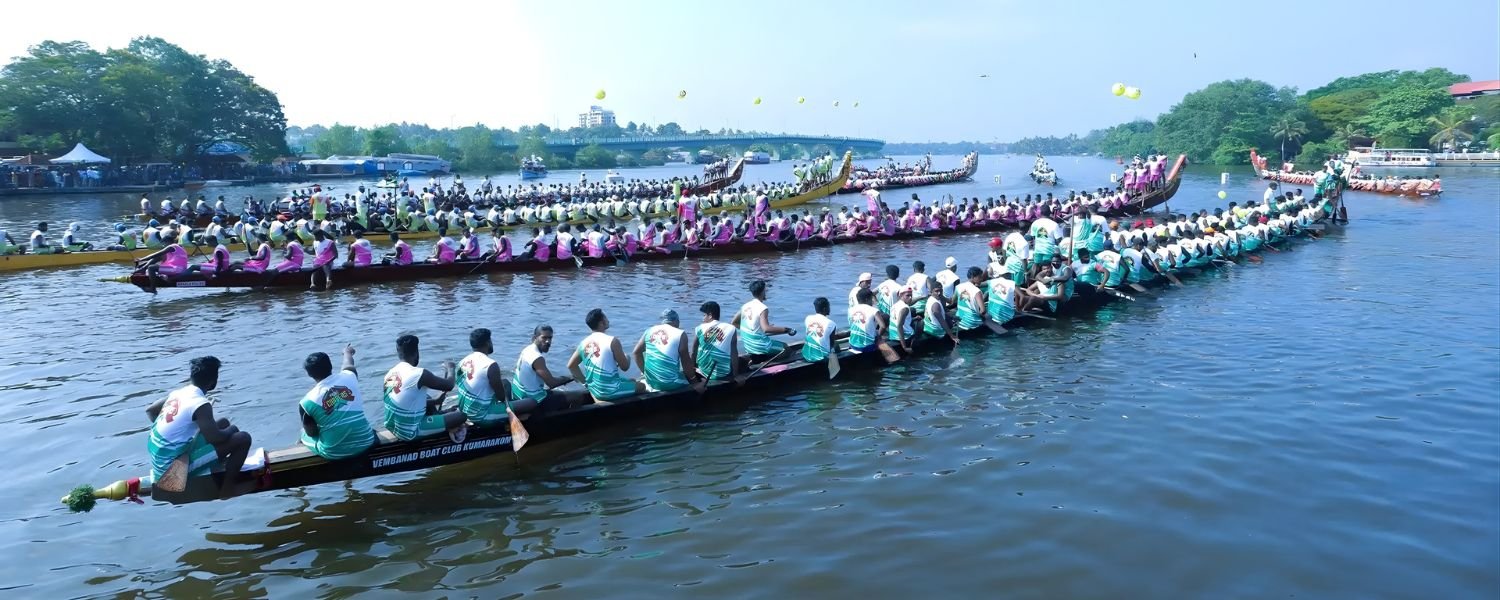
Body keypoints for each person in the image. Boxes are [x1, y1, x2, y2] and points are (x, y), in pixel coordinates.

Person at [144, 356, 254, 499]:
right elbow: (214, 437)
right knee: (243, 438)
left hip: (161, 460)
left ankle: (212, 463)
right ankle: (227, 489)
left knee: (223, 423)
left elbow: (151, 411)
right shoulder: (201, 403)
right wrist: (232, 430)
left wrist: (172, 434)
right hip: (173, 473)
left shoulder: (178, 393)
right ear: (213, 382)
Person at [382, 335, 467, 442]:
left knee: (425, 396)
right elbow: (449, 385)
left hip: (392, 427)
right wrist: (451, 368)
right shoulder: (420, 373)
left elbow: (403, 402)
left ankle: (438, 416)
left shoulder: (390, 374)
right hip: (410, 432)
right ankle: (443, 427)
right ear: (416, 352)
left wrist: (436, 401)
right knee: (461, 416)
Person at [298, 344, 376, 460]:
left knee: (303, 433)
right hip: (367, 442)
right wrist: (347, 352)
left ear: (309, 374)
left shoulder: (306, 402)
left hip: (335, 453)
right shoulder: (350, 377)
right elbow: (348, 363)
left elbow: (312, 433)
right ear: (331, 366)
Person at [567, 309, 646, 401]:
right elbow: (625, 367)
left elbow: (571, 366)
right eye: (606, 318)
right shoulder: (612, 341)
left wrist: (585, 383)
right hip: (610, 390)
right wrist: (627, 357)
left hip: (594, 389)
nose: (608, 320)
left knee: (632, 381)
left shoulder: (583, 343)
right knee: (642, 386)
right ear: (601, 323)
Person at [511, 325, 588, 410]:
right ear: (534, 338)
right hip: (533, 399)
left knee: (559, 394)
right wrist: (570, 378)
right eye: (544, 338)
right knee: (578, 396)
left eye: (550, 338)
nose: (548, 341)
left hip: (519, 395)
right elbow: (552, 383)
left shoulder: (527, 350)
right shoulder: (537, 358)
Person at [632, 309, 703, 393]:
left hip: (650, 381)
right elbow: (686, 363)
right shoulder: (680, 333)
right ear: (676, 321)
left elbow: (636, 352)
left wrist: (645, 373)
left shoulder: (649, 330)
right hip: (669, 384)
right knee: (698, 380)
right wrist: (694, 382)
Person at [455, 328, 515, 426]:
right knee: (530, 403)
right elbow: (501, 396)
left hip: (464, 411)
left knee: (505, 383)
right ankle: (510, 416)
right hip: (481, 416)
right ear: (488, 342)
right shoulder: (490, 364)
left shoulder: (462, 362)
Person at [733, 279, 796, 359]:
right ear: (763, 291)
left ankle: (760, 358)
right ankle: (767, 361)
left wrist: (753, 331)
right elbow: (766, 329)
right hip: (760, 346)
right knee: (786, 349)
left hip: (748, 346)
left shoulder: (745, 306)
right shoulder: (763, 308)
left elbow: (734, 322)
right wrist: (787, 330)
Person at [693, 301, 741, 382]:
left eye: (704, 315)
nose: (702, 318)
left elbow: (693, 352)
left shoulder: (699, 328)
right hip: (723, 373)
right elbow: (734, 354)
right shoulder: (731, 328)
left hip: (703, 372)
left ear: (710, 315)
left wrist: (692, 369)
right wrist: (735, 375)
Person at [846, 288, 887, 353]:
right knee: (881, 338)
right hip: (867, 347)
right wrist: (878, 337)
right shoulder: (873, 310)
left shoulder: (850, 310)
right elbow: (883, 326)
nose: (872, 301)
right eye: (871, 299)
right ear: (867, 299)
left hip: (852, 345)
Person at [802, 297, 837, 363]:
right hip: (821, 358)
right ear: (825, 309)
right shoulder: (831, 324)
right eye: (829, 307)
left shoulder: (808, 318)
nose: (830, 309)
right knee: (836, 346)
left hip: (806, 355)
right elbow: (831, 345)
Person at [954, 267, 988, 332]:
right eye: (980, 277)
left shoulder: (958, 287)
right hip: (973, 324)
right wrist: (983, 317)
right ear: (973, 277)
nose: (982, 279)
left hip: (961, 322)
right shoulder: (977, 291)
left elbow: (952, 301)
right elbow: (983, 311)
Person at [887, 287, 916, 352]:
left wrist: (914, 318)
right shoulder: (905, 308)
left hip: (893, 336)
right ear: (901, 295)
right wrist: (904, 347)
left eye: (911, 295)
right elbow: (899, 326)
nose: (910, 298)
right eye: (907, 295)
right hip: (905, 337)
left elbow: (898, 320)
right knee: (920, 323)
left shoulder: (894, 305)